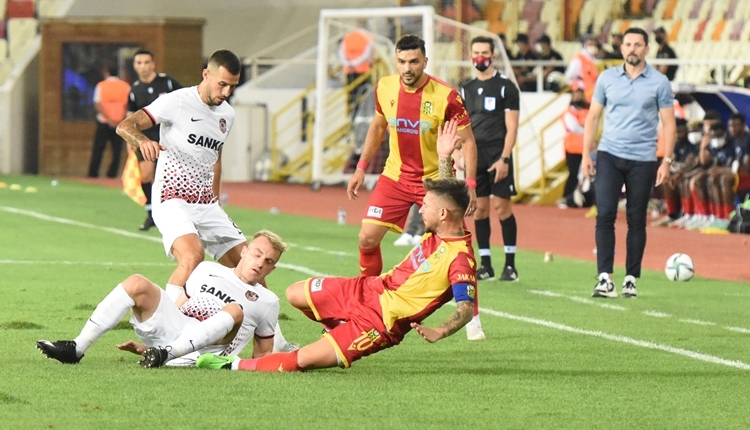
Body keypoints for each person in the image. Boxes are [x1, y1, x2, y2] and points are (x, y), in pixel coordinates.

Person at [196, 149, 478, 372]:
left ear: (443, 215)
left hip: (379, 323)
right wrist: (444, 155)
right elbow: (449, 196)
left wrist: (439, 330)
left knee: (302, 360)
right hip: (369, 289)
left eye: (426, 207)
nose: (421, 210)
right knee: (295, 294)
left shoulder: (460, 259)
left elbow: (465, 308)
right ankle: (335, 326)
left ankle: (231, 365)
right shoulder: (444, 225)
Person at [37, 230, 287, 368]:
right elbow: (178, 309)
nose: (260, 263)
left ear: (272, 269)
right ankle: (76, 348)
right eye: (257, 254)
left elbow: (261, 356)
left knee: (234, 309)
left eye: (268, 262)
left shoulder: (267, 301)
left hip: (208, 350)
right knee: (137, 282)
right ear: (244, 251)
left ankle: (166, 354)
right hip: (178, 330)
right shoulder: (205, 269)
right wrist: (149, 347)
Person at [116, 49, 245, 301]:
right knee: (192, 255)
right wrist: (143, 141)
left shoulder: (227, 114)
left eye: (233, 86)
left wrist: (215, 201)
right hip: (172, 197)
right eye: (222, 84)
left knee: (249, 266)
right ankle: (167, 326)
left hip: (205, 203)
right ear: (206, 74)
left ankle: (274, 339)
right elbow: (126, 126)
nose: (227, 93)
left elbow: (216, 158)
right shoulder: (177, 101)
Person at [346, 34, 477, 278]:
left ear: (425, 61)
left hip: (436, 181)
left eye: (414, 61)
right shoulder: (384, 88)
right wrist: (361, 168)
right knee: (367, 237)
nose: (408, 68)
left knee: (458, 246)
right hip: (395, 177)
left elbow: (469, 141)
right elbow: (377, 128)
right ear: (396, 61)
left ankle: (473, 315)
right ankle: (367, 300)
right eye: (402, 61)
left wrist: (470, 185)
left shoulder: (446, 96)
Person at [581, 27, 676, 299]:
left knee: (636, 219)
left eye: (638, 44)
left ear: (647, 49)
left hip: (644, 159)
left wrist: (666, 161)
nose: (632, 49)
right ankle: (604, 278)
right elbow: (593, 117)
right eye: (628, 44)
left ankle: (631, 278)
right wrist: (588, 154)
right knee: (605, 214)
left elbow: (669, 124)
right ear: (621, 48)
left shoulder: (659, 82)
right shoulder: (607, 78)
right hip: (610, 154)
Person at [460, 36, 520, 286]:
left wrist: (505, 157)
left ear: (493, 56)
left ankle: (510, 265)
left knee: (502, 208)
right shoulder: (465, 88)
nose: (480, 57)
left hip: (498, 154)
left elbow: (512, 126)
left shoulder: (506, 87)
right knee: (479, 209)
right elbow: (458, 125)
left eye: (485, 52)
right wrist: (458, 155)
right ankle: (485, 265)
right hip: (475, 156)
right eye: (476, 52)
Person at [126, 49, 182, 231]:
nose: (143, 66)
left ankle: (175, 215)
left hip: (170, 138)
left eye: (146, 62)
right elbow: (130, 117)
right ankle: (151, 213)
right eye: (139, 63)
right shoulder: (134, 89)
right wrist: (130, 141)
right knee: (146, 175)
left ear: (153, 64)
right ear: (135, 66)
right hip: (146, 139)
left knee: (170, 178)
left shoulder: (167, 82)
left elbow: (185, 103)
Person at [87, 64, 130, 178]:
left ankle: (93, 174)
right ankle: (112, 174)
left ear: (107, 72)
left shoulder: (101, 85)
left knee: (98, 149)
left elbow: (98, 104)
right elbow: (128, 105)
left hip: (104, 121)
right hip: (120, 122)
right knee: (117, 151)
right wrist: (120, 119)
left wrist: (109, 118)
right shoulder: (125, 86)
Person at [561, 88, 589, 200]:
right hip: (572, 149)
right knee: (573, 174)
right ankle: (567, 197)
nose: (578, 98)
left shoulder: (588, 111)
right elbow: (575, 128)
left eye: (580, 96)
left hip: (586, 149)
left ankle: (579, 198)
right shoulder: (569, 113)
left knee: (584, 176)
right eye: (575, 96)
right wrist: (588, 130)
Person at [338, 21, 374, 107]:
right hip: (363, 70)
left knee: (351, 93)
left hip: (349, 69)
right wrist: (355, 63)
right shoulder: (368, 37)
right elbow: (367, 54)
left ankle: (352, 112)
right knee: (363, 93)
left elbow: (341, 53)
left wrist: (349, 63)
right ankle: (359, 112)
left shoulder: (347, 37)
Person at [565, 35, 600, 102]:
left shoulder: (593, 59)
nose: (593, 47)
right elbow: (570, 76)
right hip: (581, 94)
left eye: (594, 45)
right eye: (590, 44)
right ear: (585, 45)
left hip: (592, 93)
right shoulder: (578, 59)